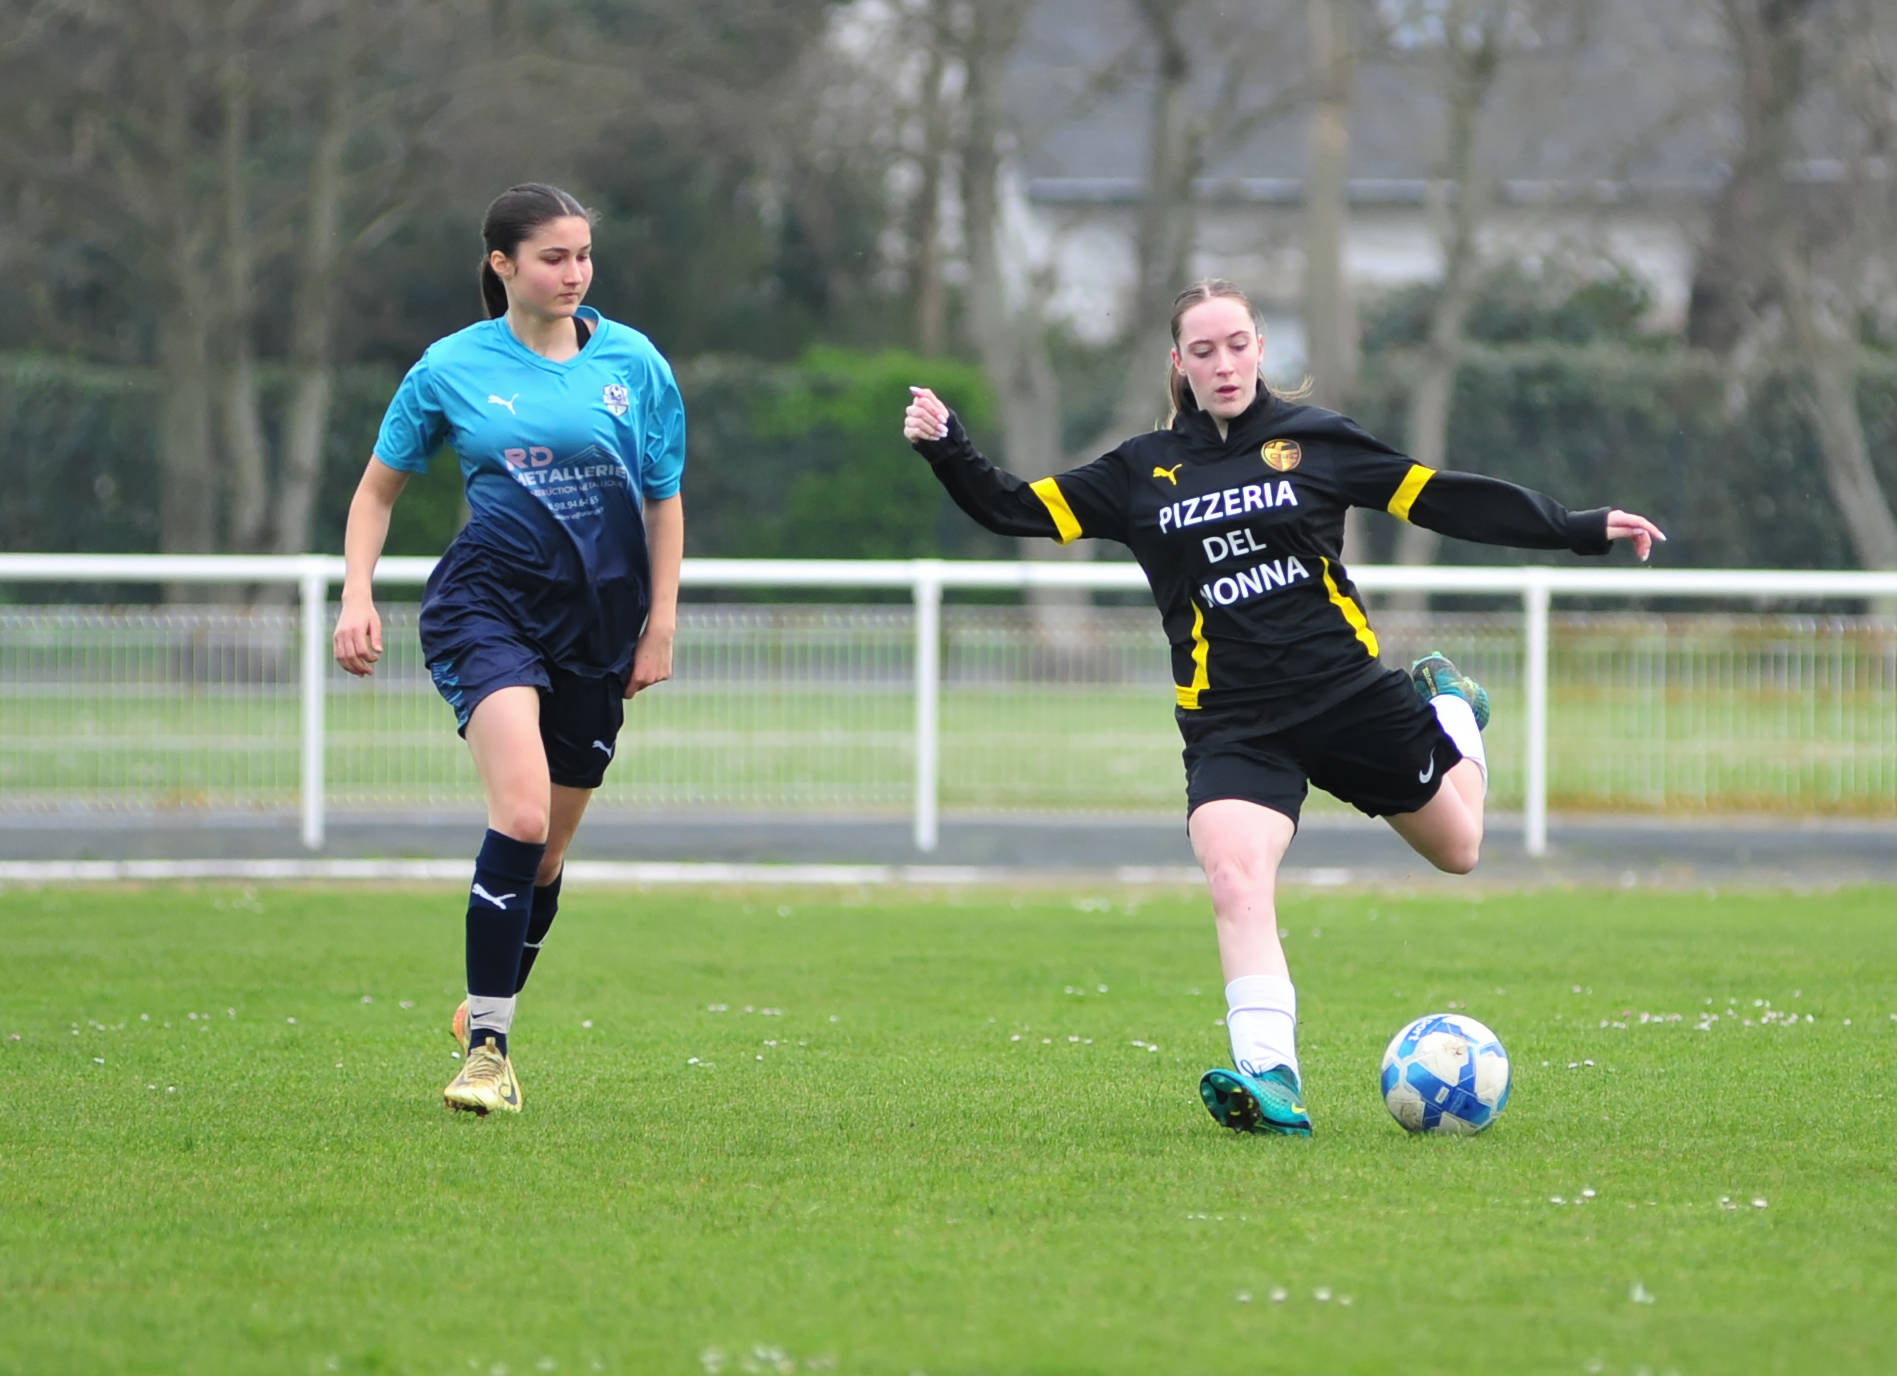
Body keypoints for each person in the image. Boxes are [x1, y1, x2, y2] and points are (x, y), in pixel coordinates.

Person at [903, 278, 1663, 1137]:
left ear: (1260, 348)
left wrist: (1575, 525)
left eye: (1236, 344)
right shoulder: (1139, 473)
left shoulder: (1315, 443)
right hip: (1232, 725)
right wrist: (948, 447)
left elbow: (1441, 496)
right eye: (1202, 350)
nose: (1222, 363)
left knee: (1459, 849)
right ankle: (1273, 1082)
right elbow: (1013, 507)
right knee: (1234, 876)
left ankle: (1449, 712)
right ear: (1177, 364)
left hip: (1347, 698)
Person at [333, 183, 685, 1116]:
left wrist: (660, 623)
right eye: (552, 258)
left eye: (583, 256)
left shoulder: (633, 363)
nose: (574, 274)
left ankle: (483, 1001)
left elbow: (663, 498)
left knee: (546, 856)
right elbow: (376, 494)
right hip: (486, 604)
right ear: (502, 265)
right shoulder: (448, 369)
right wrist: (356, 594)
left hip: (600, 624)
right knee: (521, 815)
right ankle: (489, 1050)